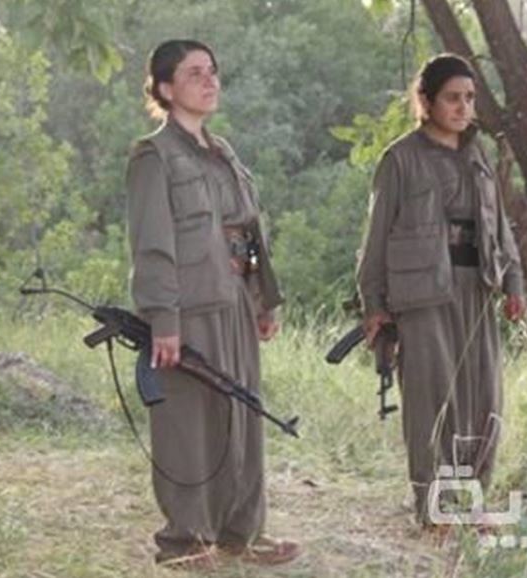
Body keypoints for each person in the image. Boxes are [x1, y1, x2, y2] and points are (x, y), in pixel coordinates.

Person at [126, 39, 300, 569]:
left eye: (213, 71)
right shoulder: (154, 156)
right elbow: (152, 244)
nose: (210, 81)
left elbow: (248, 235)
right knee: (188, 425)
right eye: (194, 73)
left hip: (236, 303)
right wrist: (163, 318)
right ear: (165, 88)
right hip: (190, 307)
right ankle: (185, 541)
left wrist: (261, 298)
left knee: (241, 418)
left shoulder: (223, 152)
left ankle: (241, 533)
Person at [356, 53, 527, 533]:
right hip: (422, 294)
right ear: (426, 101)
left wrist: (514, 282)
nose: (463, 107)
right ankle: (434, 510)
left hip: (477, 287)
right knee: (433, 401)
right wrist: (374, 306)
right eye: (453, 98)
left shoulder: (479, 155)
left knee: (483, 397)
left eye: (469, 98)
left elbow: (500, 225)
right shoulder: (400, 160)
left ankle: (471, 502)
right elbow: (375, 239)